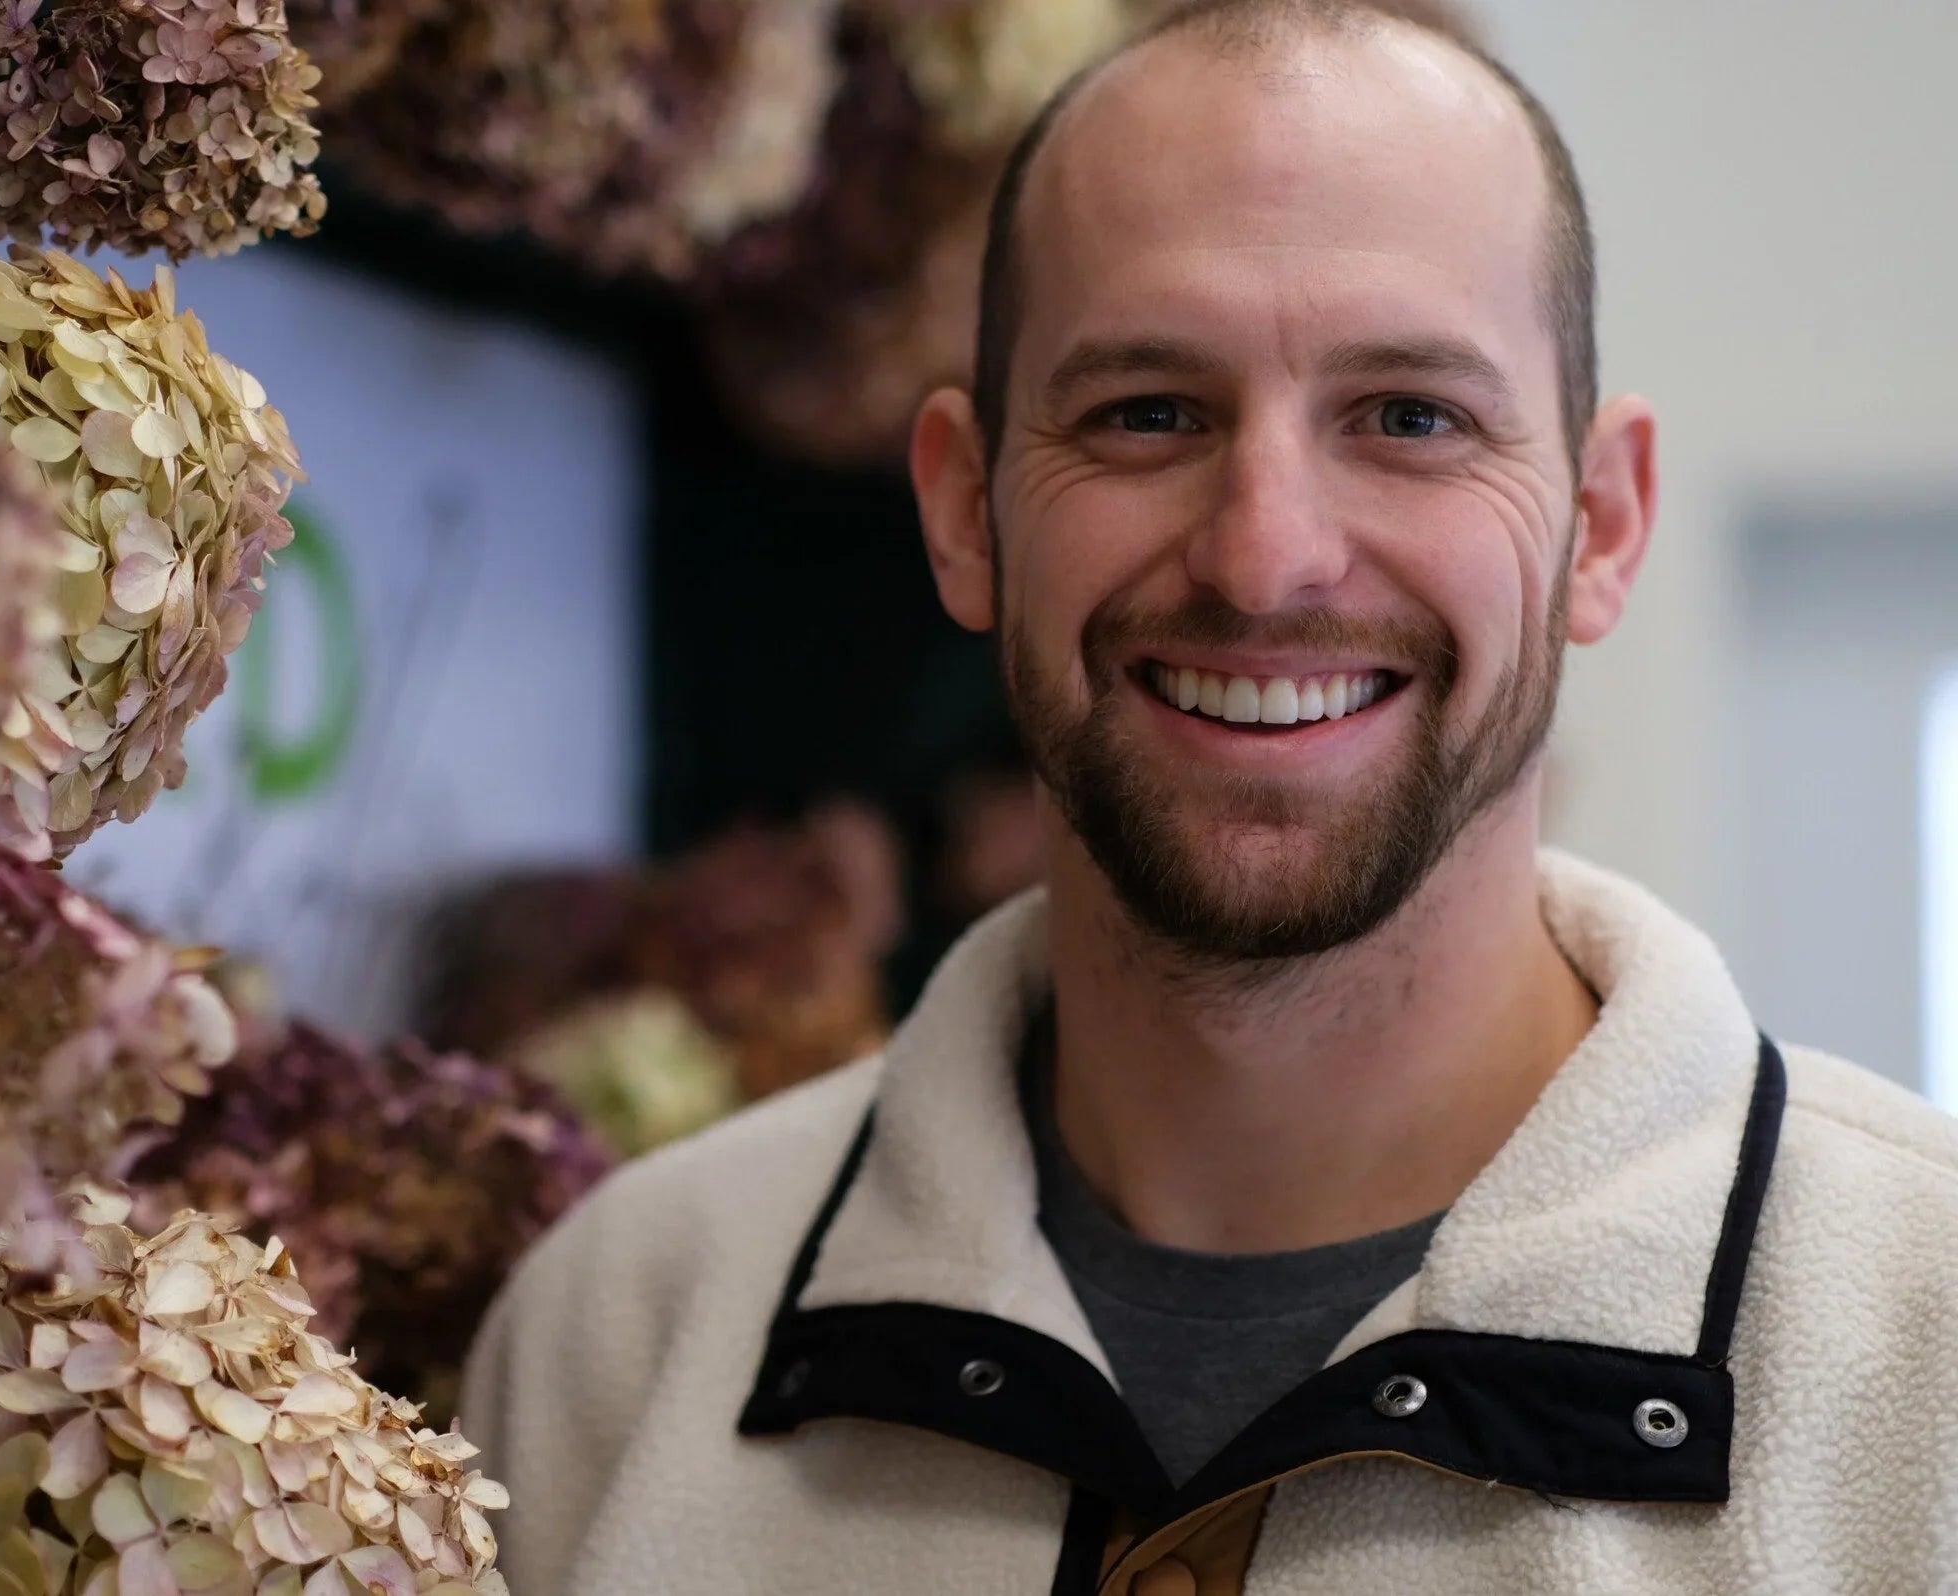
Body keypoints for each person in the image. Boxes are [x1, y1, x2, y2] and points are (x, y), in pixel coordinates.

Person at [459, 3, 1958, 1591]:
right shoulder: (616, 1341)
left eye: (1410, 418)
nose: (1263, 554)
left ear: (1599, 523)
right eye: (1148, 414)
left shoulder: (1925, 1366)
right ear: (966, 513)